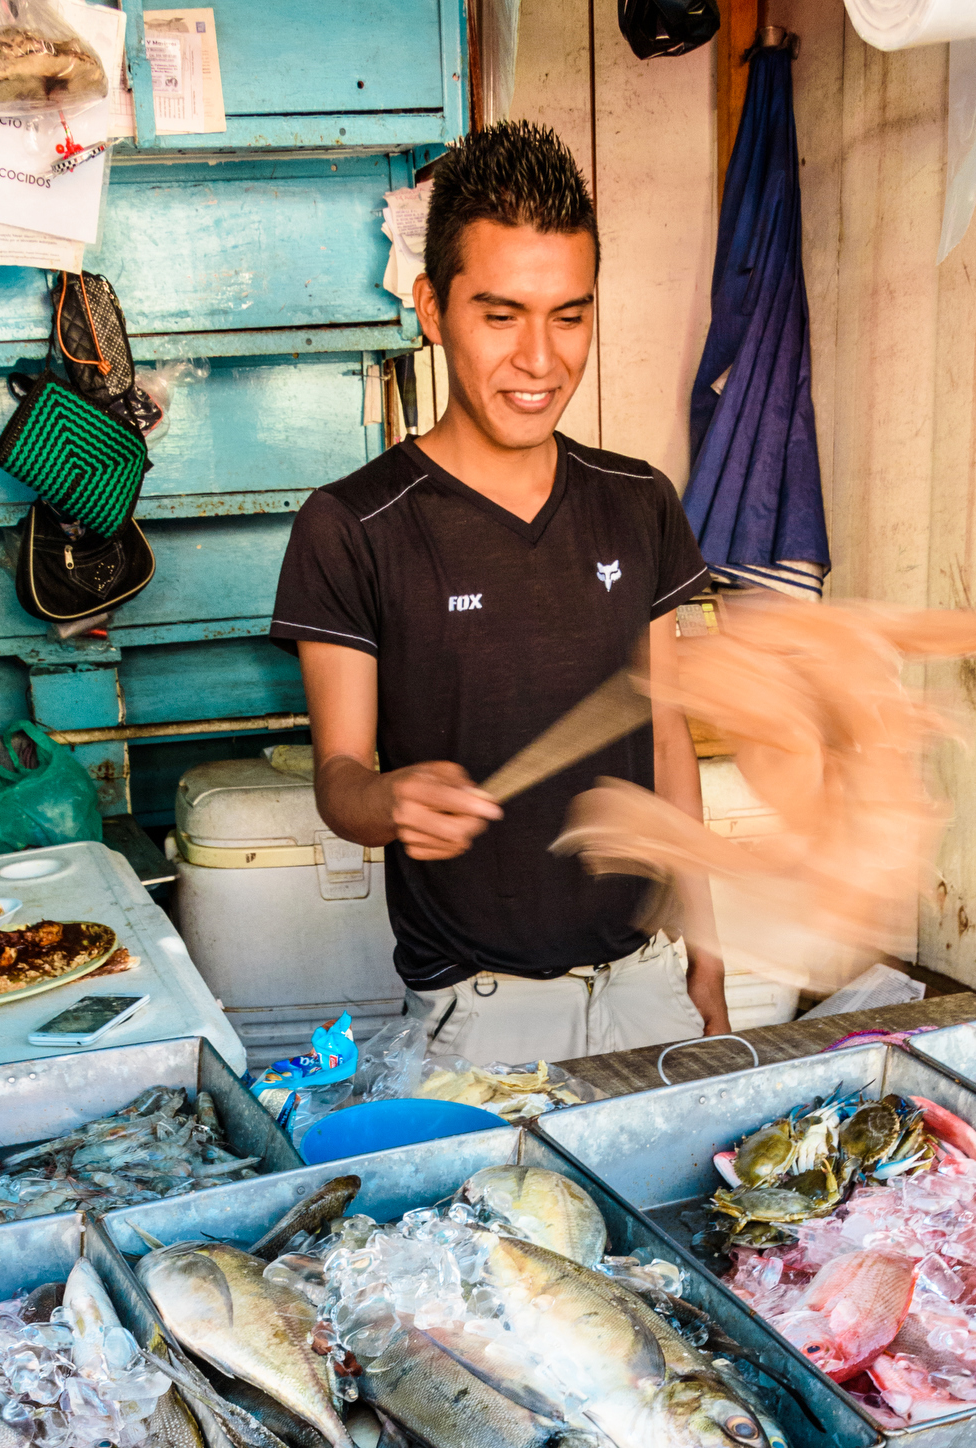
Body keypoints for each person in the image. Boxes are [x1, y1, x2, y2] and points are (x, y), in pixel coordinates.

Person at [268, 118, 731, 1065]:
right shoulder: (352, 525)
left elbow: (666, 734)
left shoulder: (637, 500)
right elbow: (339, 779)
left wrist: (709, 953)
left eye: (570, 314)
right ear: (433, 310)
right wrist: (389, 799)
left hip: (648, 980)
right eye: (500, 314)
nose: (540, 359)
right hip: (475, 1017)